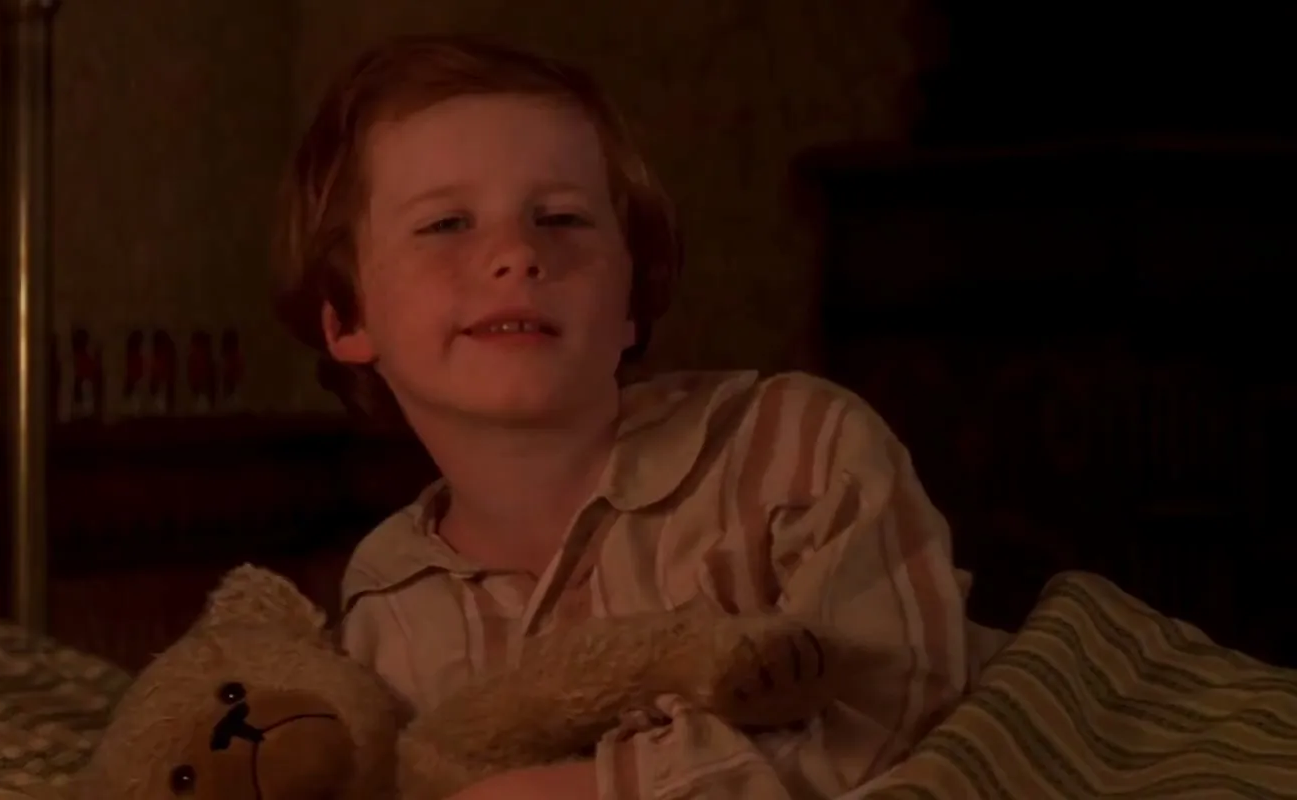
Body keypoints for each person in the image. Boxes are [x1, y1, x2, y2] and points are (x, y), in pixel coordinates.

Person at [273, 35, 999, 799]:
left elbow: (895, 707)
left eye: (561, 217)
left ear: (630, 297)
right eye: (447, 224)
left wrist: (577, 792)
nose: (517, 253)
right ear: (347, 317)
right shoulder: (386, 602)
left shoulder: (798, 448)